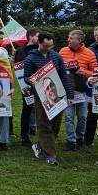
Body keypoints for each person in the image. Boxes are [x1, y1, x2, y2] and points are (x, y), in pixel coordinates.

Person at [22, 31, 74, 166]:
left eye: (51, 46)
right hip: (41, 96)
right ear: (39, 43)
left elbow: (64, 76)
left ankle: (40, 144)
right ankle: (50, 155)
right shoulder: (30, 59)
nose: (48, 48)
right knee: (44, 125)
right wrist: (32, 81)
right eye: (46, 46)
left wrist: (70, 95)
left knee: (55, 125)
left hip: (58, 94)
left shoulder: (56, 57)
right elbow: (26, 78)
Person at [59, 29, 98, 151]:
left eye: (71, 38)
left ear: (79, 40)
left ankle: (79, 137)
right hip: (67, 90)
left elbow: (96, 72)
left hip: (83, 91)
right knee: (69, 117)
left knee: (82, 117)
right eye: (69, 38)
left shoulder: (89, 53)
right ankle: (70, 141)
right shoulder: (63, 51)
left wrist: (84, 72)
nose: (68, 40)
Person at [13, 29, 39, 146]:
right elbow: (18, 69)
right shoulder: (21, 50)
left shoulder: (40, 49)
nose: (40, 39)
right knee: (27, 109)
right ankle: (24, 136)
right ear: (31, 37)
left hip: (40, 83)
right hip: (26, 86)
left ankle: (39, 132)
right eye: (38, 36)